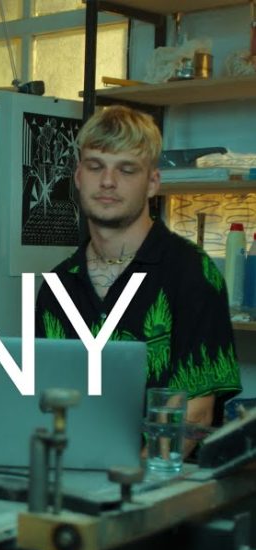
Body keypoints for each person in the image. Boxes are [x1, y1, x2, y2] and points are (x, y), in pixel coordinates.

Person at [35, 104, 241, 450]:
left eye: (127, 169)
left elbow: (195, 412)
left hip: (160, 478)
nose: (108, 181)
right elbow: (41, 398)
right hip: (72, 469)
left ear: (152, 183)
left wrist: (131, 478)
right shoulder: (57, 285)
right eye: (95, 166)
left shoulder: (191, 272)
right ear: (78, 177)